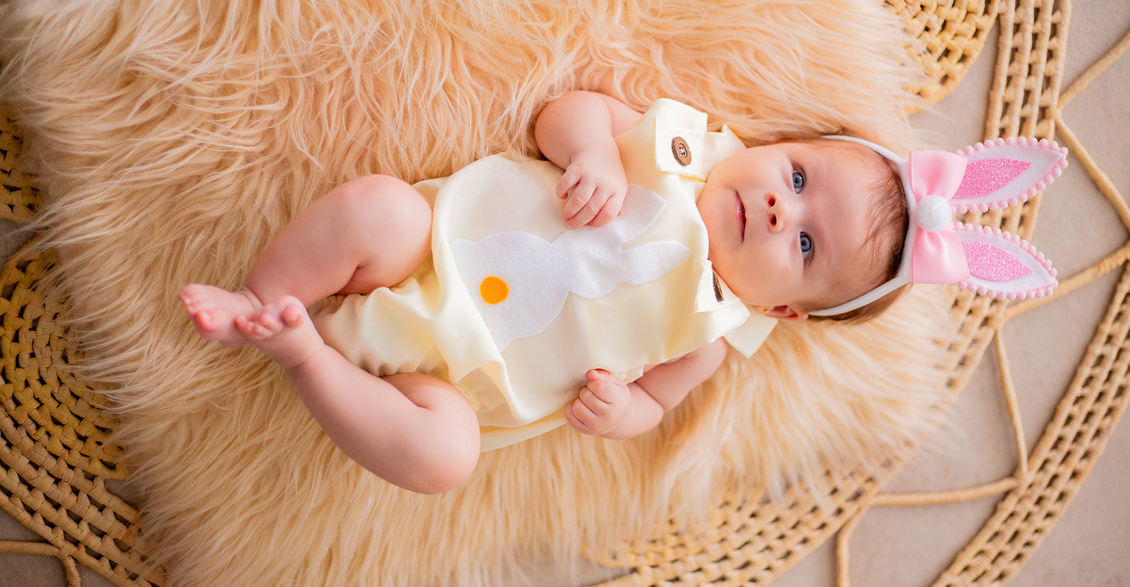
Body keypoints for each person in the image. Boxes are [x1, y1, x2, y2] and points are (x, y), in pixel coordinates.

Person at [177, 91, 915, 494]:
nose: (787, 210)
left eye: (807, 245)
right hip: (432, 251)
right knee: (379, 206)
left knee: (446, 458)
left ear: (781, 310)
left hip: (451, 381)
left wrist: (623, 410)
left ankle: (306, 355)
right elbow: (565, 113)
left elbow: (652, 404)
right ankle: (262, 299)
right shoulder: (678, 149)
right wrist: (592, 151)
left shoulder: (712, 335)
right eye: (797, 177)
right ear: (776, 147)